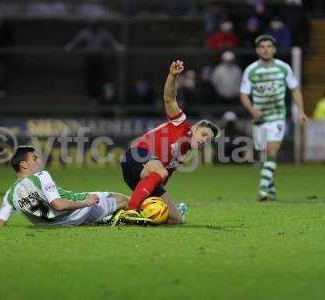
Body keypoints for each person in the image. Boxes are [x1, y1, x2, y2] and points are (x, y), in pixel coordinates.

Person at [120, 60, 220, 224]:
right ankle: (130, 210)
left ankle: (123, 208)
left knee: (175, 219)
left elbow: (161, 179)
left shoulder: (180, 156)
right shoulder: (181, 123)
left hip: (141, 177)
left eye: (207, 139)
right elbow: (169, 98)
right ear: (194, 128)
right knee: (161, 173)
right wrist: (172, 76)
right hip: (136, 155)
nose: (203, 140)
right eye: (203, 134)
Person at [239, 35, 308, 201]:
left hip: (277, 117)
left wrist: (301, 111)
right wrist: (251, 108)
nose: (266, 49)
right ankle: (271, 189)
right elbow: (243, 94)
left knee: (272, 150)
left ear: (274, 49)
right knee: (263, 155)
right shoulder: (251, 70)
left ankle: (262, 188)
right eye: (262, 47)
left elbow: (295, 89)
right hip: (260, 119)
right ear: (257, 50)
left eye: (269, 46)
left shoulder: (284, 68)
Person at [0, 146, 128, 227]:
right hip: (82, 209)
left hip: (61, 224)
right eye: (34, 159)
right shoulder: (41, 176)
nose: (39, 161)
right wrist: (86, 203)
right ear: (23, 165)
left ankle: (109, 219)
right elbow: (58, 205)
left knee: (112, 215)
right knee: (128, 200)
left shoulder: (10, 194)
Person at [64, 21, 123, 101]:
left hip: (100, 58)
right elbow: (76, 42)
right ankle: (92, 96)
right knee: (90, 77)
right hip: (89, 58)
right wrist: (69, 47)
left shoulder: (103, 32)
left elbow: (112, 42)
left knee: (105, 78)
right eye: (93, 27)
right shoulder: (85, 32)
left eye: (96, 27)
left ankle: (108, 95)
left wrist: (118, 47)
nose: (95, 29)